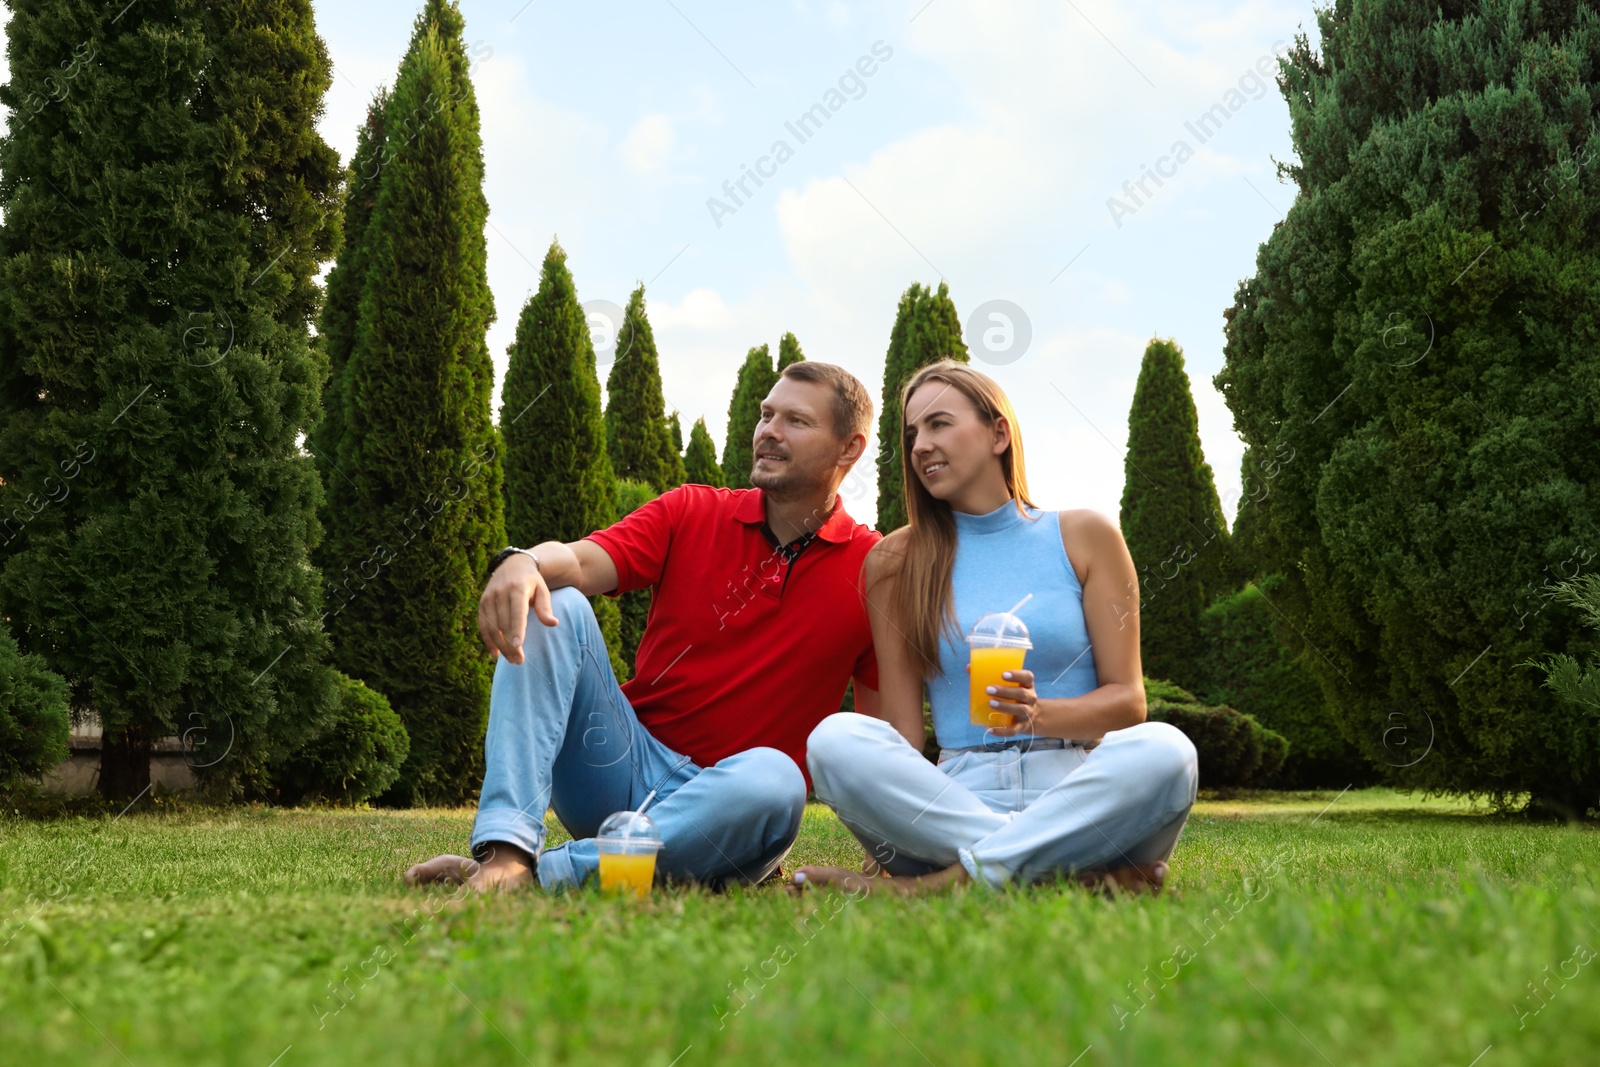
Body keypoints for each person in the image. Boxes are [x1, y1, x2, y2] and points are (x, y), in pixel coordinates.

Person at [405, 362, 883, 892]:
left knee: (777, 778)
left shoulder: (874, 570)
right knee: (556, 600)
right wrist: (523, 562)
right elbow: (581, 563)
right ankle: (507, 852)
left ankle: (545, 874)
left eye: (796, 420)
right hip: (621, 767)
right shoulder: (692, 510)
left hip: (734, 813)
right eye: (766, 414)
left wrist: (888, 859)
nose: (768, 430)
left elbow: (879, 739)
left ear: (849, 448)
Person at [796, 360, 1199, 896]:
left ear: (998, 433)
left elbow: (1129, 702)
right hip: (961, 795)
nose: (919, 445)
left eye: (939, 423)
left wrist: (1040, 714)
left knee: (1168, 751)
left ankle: (937, 887)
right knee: (835, 739)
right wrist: (881, 840)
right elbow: (903, 737)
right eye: (912, 432)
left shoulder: (1085, 535)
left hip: (1075, 786)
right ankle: (1063, 874)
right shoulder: (895, 560)